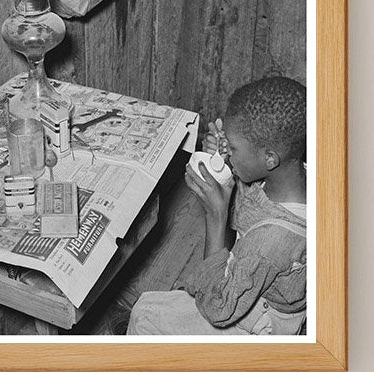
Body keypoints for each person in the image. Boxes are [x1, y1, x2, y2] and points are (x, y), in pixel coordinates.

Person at [127, 76, 307, 336]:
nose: (227, 150)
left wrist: (216, 214)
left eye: (232, 147)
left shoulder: (269, 244)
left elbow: (219, 309)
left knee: (144, 313)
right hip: (254, 283)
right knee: (174, 298)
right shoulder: (294, 177)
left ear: (269, 158)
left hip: (257, 321)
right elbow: (255, 207)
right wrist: (225, 159)